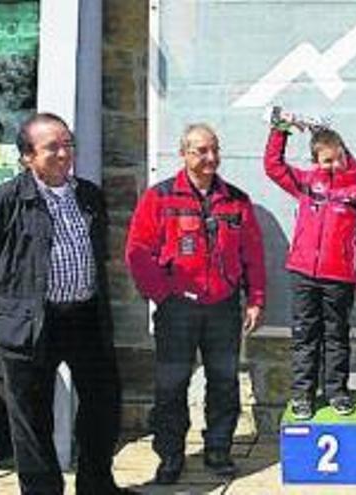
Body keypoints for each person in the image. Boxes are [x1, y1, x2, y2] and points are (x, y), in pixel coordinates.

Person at [0, 113, 132, 494]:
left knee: (103, 403)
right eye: (52, 147)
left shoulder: (87, 195)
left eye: (68, 144)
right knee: (32, 419)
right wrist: (10, 309)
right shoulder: (2, 202)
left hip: (85, 318)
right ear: (27, 156)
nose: (63, 153)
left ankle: (96, 485)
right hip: (31, 323)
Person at [125, 123, 266, 484]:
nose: (210, 158)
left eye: (214, 150)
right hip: (178, 309)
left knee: (224, 382)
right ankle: (170, 455)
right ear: (184, 153)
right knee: (171, 386)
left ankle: (218, 449)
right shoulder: (160, 197)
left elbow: (252, 254)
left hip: (223, 306)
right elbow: (137, 253)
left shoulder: (236, 200)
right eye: (201, 151)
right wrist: (163, 297)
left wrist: (255, 300)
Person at [264, 116, 356, 420]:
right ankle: (303, 395)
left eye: (338, 158)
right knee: (305, 335)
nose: (333, 165)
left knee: (336, 336)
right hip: (302, 273)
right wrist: (280, 131)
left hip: (339, 277)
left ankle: (337, 392)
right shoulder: (305, 183)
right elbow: (273, 167)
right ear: (315, 161)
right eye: (326, 160)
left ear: (345, 154)